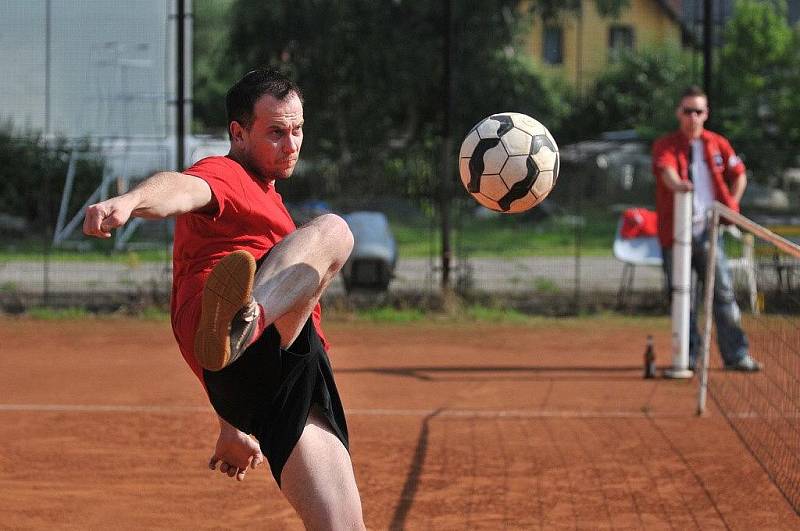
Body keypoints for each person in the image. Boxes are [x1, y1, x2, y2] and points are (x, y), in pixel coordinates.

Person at [83, 67, 366, 529]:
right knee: (334, 231)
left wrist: (230, 423)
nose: (291, 144)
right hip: (265, 342)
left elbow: (218, 354)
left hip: (288, 375)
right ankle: (248, 321)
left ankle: (245, 324)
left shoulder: (269, 199)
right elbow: (181, 187)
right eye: (275, 132)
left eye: (297, 130)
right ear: (238, 132)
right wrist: (131, 202)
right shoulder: (226, 174)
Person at [652, 85, 761, 372]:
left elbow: (739, 174)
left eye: (698, 111)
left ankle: (736, 355)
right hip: (676, 235)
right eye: (688, 111)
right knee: (681, 297)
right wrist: (680, 187)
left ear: (706, 114)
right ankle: (687, 357)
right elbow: (667, 172)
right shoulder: (666, 144)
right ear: (679, 113)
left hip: (709, 233)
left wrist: (730, 206)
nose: (693, 117)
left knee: (722, 293)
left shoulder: (718, 144)